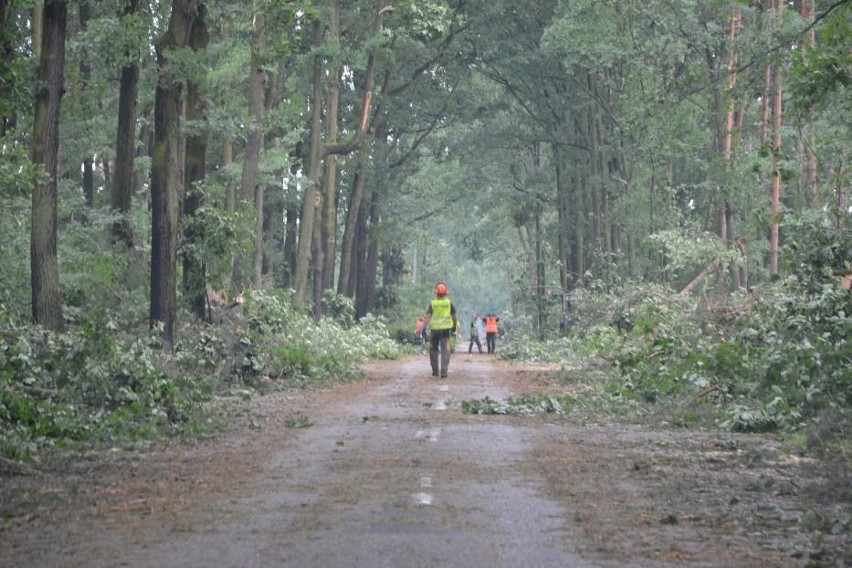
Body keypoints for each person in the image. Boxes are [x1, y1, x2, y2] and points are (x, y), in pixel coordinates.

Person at [422, 282, 459, 378]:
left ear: (436, 293)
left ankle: (435, 371)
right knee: (445, 350)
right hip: (446, 331)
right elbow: (454, 317)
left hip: (434, 330)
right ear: (446, 293)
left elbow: (428, 317)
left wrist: (423, 328)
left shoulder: (433, 303)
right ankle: (444, 371)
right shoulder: (449, 303)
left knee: (433, 349)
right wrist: (454, 327)